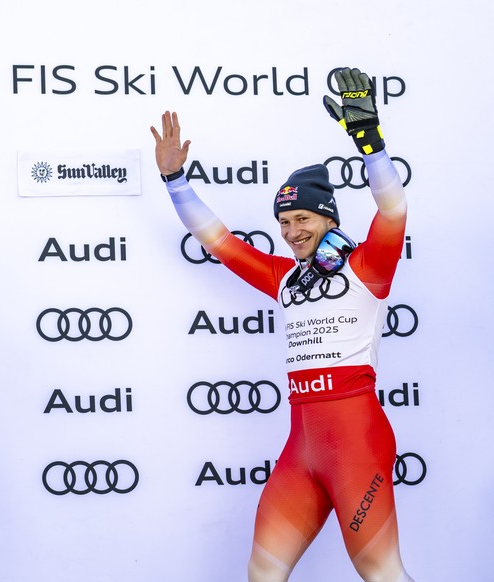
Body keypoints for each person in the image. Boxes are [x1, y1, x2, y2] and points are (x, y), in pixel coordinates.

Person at [151, 68, 414, 581]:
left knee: (382, 574)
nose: (293, 232)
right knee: (262, 575)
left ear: (329, 221)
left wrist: (369, 139)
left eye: (304, 221)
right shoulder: (284, 277)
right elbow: (218, 240)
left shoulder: (367, 266)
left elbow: (394, 206)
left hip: (356, 442)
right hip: (302, 449)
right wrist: (174, 181)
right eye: (285, 223)